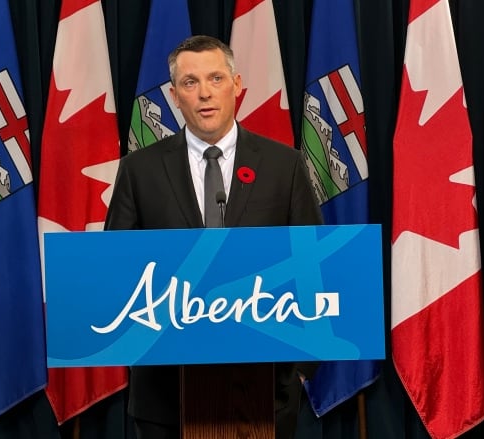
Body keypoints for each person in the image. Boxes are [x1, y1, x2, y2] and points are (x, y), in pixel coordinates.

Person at [105, 35, 322, 439]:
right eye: (190, 82)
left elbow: (312, 267)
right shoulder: (140, 170)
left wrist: (297, 371)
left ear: (237, 85)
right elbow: (116, 270)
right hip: (164, 396)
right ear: (174, 95)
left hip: (265, 392)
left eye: (216, 78)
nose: (204, 93)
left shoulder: (283, 166)